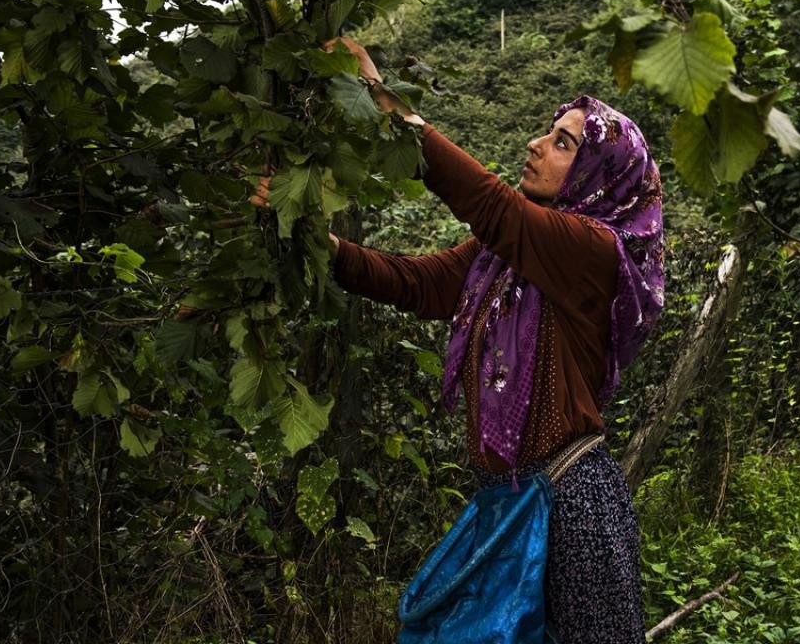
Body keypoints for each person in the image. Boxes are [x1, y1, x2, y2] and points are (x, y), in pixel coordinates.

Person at [265, 39, 665, 643]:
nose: (537, 145)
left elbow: (490, 205)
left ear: (599, 174)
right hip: (507, 502)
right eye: (548, 132)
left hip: (570, 508)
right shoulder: (503, 259)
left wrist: (389, 107)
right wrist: (325, 247)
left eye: (564, 143)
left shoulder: (592, 252)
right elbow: (420, 283)